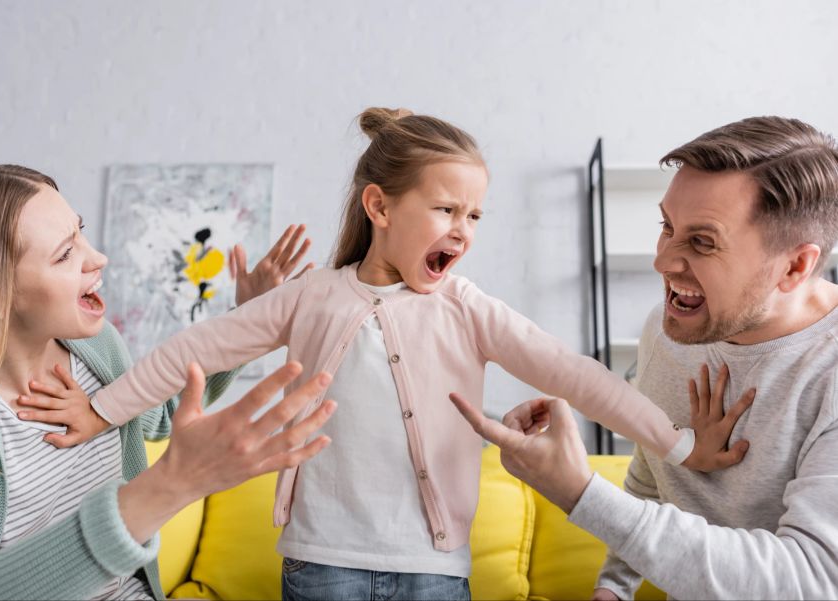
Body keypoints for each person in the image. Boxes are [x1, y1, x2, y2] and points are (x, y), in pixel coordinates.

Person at [52, 107, 743, 601]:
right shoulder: (310, 296)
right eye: (446, 210)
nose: (463, 230)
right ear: (379, 206)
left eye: (474, 215)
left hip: (435, 568)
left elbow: (578, 376)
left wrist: (678, 444)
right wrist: (102, 411)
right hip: (321, 564)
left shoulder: (467, 308)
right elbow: (193, 349)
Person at [450, 116, 838, 600]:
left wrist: (579, 492)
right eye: (667, 226)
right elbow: (655, 479)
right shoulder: (669, 329)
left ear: (796, 266)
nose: (663, 261)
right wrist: (614, 588)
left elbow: (813, 581)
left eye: (702, 242)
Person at [0, 163, 335, 600]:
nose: (98, 258)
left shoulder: (95, 349)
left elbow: (158, 416)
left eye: (81, 232)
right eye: (65, 253)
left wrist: (245, 321)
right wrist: (172, 483)